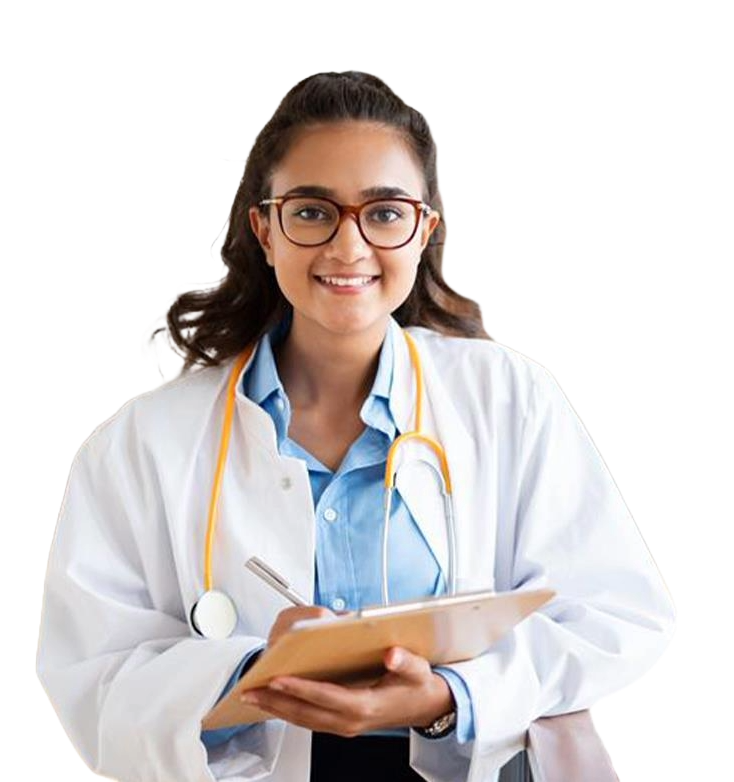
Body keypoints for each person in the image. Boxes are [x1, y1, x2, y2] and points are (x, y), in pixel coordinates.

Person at [34, 69, 679, 782]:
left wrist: (447, 698)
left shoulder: (512, 397)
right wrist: (250, 674)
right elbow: (90, 677)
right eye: (312, 211)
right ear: (264, 227)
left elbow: (620, 616)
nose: (348, 248)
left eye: (384, 211)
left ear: (424, 228)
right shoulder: (138, 444)